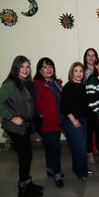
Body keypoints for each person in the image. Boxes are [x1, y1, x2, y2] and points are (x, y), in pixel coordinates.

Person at [0, 55, 44, 197]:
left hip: (25, 125)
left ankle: (27, 182)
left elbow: (28, 103)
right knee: (25, 155)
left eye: (28, 67)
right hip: (15, 127)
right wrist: (12, 117)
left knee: (27, 155)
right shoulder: (10, 84)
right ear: (16, 67)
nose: (26, 70)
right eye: (22, 67)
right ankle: (23, 189)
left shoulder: (25, 83)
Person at [33, 57, 64, 188]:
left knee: (50, 147)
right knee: (55, 147)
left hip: (58, 121)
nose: (48, 69)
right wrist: (38, 114)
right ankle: (57, 174)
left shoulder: (57, 83)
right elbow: (31, 103)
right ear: (40, 70)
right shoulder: (36, 85)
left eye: (50, 66)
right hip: (45, 123)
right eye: (45, 67)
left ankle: (50, 168)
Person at [61, 62, 89, 181]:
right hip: (71, 121)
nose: (78, 74)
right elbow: (64, 107)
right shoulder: (68, 86)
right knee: (81, 147)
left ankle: (77, 168)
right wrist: (74, 120)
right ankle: (82, 172)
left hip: (83, 120)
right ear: (72, 72)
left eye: (81, 71)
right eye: (76, 71)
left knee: (78, 146)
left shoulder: (83, 87)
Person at [83, 48, 99, 166]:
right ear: (85, 57)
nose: (91, 58)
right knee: (88, 131)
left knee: (98, 129)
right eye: (89, 55)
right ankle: (89, 153)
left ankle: (98, 149)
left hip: (98, 104)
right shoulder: (82, 71)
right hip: (87, 105)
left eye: (93, 55)